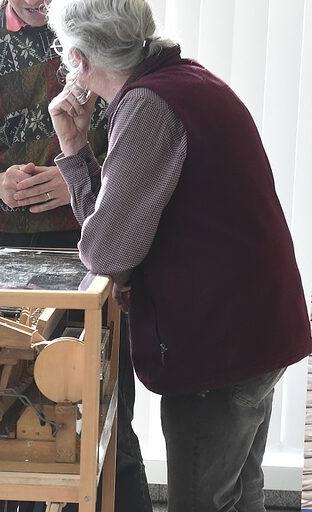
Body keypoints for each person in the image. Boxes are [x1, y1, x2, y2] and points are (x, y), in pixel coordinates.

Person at [47, 1, 312, 511]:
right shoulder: (186, 80)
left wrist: (74, 154)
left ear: (78, 59)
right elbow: (128, 235)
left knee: (203, 502)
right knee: (239, 496)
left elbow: (106, 250)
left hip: (221, 343)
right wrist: (79, 149)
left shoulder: (149, 106)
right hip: (257, 328)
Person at [0, 2, 150, 511]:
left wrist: (78, 173)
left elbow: (138, 144)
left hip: (93, 250)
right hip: (2, 260)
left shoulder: (99, 32)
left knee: (106, 421)